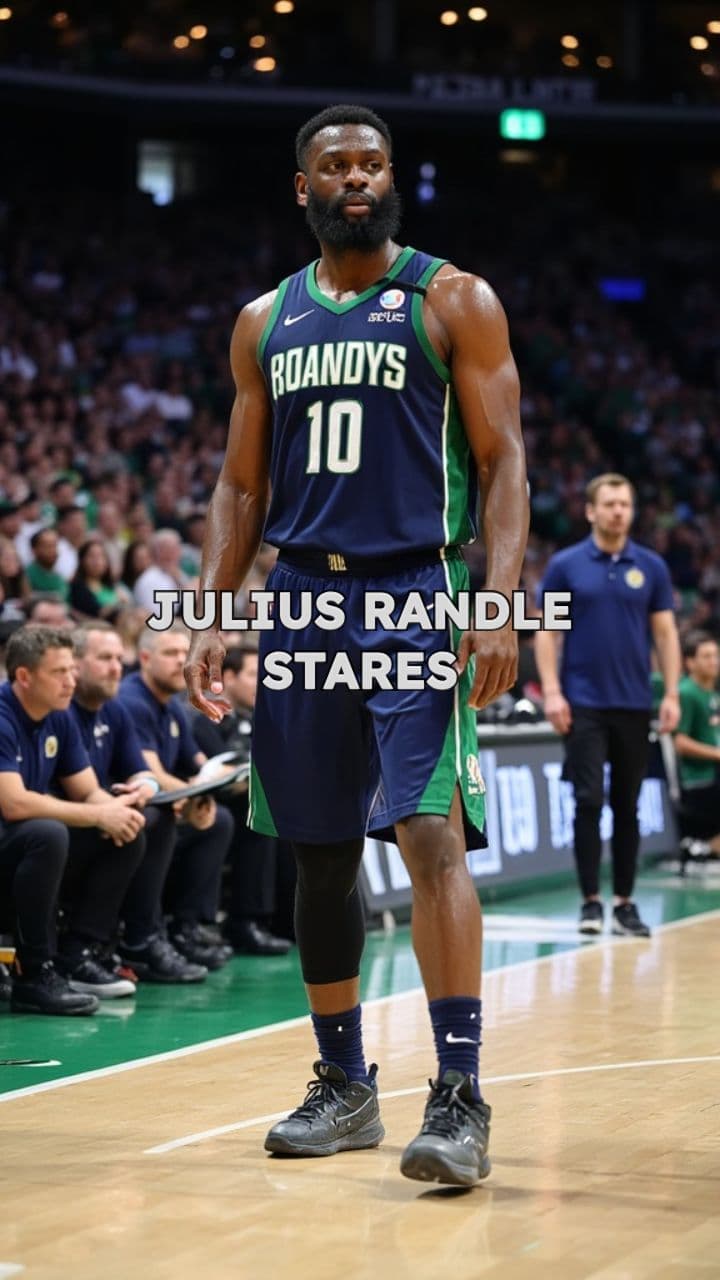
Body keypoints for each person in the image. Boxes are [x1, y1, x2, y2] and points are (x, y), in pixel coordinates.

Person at [185, 104, 528, 1187]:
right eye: (335, 166)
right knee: (319, 854)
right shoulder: (263, 320)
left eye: (373, 165)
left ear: (393, 180)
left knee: (430, 835)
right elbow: (243, 482)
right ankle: (344, 1083)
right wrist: (211, 603)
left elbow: (505, 462)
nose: (356, 180)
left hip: (417, 593)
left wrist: (501, 598)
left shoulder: (453, 299)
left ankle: (460, 1095)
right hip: (302, 602)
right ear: (304, 187)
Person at [535, 473, 681, 939]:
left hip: (635, 703)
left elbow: (665, 633)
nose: (619, 511)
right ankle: (590, 902)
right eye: (610, 503)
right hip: (584, 704)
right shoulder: (565, 565)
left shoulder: (651, 567)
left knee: (627, 805)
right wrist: (553, 691)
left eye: (626, 504)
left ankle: (624, 903)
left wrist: (672, 692)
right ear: (591, 511)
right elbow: (547, 631)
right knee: (587, 800)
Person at [0, 625, 146, 1014]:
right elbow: (13, 804)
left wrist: (115, 811)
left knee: (127, 829)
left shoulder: (57, 714)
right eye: (59, 672)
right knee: (47, 833)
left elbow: (86, 789)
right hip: (11, 842)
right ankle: (34, 972)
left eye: (71, 670)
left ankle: (78, 953)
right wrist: (98, 813)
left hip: (22, 846)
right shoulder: (3, 716)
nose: (70, 681)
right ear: (24, 676)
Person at [70, 621, 207, 983]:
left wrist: (144, 788)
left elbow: (143, 772)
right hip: (66, 820)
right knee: (135, 823)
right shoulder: (71, 708)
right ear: (75, 663)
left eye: (118, 658)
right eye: (104, 658)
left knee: (155, 813)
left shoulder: (114, 708)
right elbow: (70, 789)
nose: (116, 667)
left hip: (97, 811)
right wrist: (112, 808)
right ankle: (94, 946)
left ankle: (155, 935)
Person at [119, 625, 234, 970]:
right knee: (164, 820)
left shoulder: (173, 706)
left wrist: (209, 791)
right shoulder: (132, 700)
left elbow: (202, 765)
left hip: (162, 804)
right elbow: (151, 772)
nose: (180, 664)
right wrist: (194, 794)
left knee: (221, 820)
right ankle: (143, 937)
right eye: (169, 654)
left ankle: (187, 927)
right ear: (144, 657)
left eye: (184, 656)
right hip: (137, 806)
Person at [189, 646, 293, 955]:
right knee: (259, 810)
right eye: (254, 674)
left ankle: (286, 918)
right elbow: (208, 771)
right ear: (228, 676)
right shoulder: (203, 718)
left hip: (236, 800)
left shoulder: (252, 718)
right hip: (204, 803)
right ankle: (245, 920)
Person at [672, 631, 720, 855]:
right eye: (706, 656)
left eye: (716, 655)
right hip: (700, 781)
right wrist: (717, 754)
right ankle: (705, 847)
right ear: (690, 662)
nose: (714, 661)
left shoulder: (713, 693)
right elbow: (680, 743)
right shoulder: (686, 693)